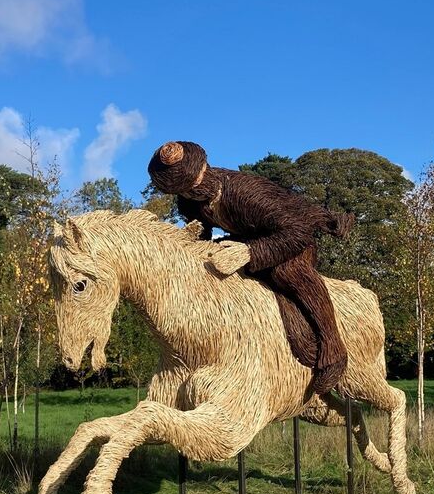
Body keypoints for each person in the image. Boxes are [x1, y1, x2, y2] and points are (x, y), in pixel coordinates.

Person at [147, 140, 355, 395]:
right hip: (248, 240)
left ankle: (333, 351)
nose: (191, 195)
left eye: (193, 187)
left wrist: (249, 252)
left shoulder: (243, 193)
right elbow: (201, 230)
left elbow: (298, 232)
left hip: (290, 243)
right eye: (184, 192)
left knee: (287, 274)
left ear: (204, 170)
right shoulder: (188, 202)